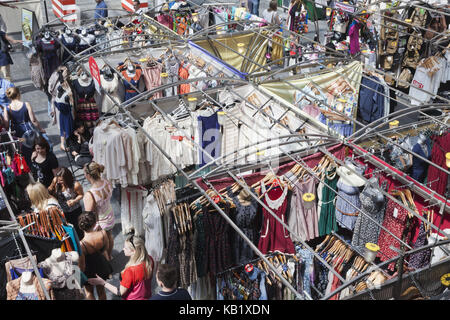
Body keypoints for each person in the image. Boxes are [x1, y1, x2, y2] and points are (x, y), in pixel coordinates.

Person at [88, 229, 155, 300]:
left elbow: (120, 292)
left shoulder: (130, 271)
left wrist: (102, 282)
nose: (123, 249)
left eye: (126, 248)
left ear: (133, 251)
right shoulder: (149, 259)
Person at [83, 161, 115, 260]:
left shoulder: (90, 194)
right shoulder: (107, 182)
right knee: (110, 236)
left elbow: (89, 214)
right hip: (110, 214)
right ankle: (110, 256)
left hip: (100, 221)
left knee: (104, 242)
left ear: (88, 175)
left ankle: (107, 260)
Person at [77, 211, 112, 300]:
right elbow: (105, 249)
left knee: (89, 292)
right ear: (94, 224)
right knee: (101, 291)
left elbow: (82, 265)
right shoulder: (103, 234)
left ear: (81, 227)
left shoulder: (81, 244)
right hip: (101, 265)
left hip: (88, 269)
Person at [48, 167, 85, 238]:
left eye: (61, 180)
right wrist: (52, 187)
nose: (59, 182)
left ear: (67, 178)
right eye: (58, 179)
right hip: (63, 211)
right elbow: (49, 190)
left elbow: (81, 195)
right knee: (69, 230)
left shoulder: (75, 185)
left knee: (79, 229)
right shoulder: (56, 181)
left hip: (75, 211)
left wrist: (74, 201)